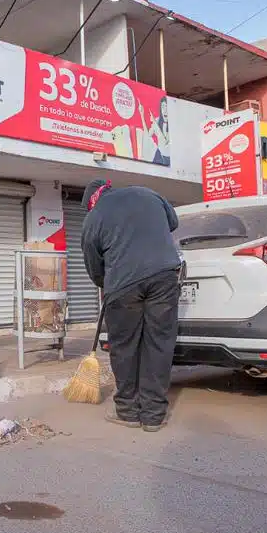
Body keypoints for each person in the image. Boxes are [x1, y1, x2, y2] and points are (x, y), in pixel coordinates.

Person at [81, 179, 182, 431]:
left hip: (123, 285)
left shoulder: (94, 217)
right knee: (158, 344)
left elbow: (93, 263)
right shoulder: (148, 193)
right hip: (163, 277)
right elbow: (173, 223)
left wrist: (105, 283)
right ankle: (153, 415)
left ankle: (127, 411)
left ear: (91, 201)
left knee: (125, 347)